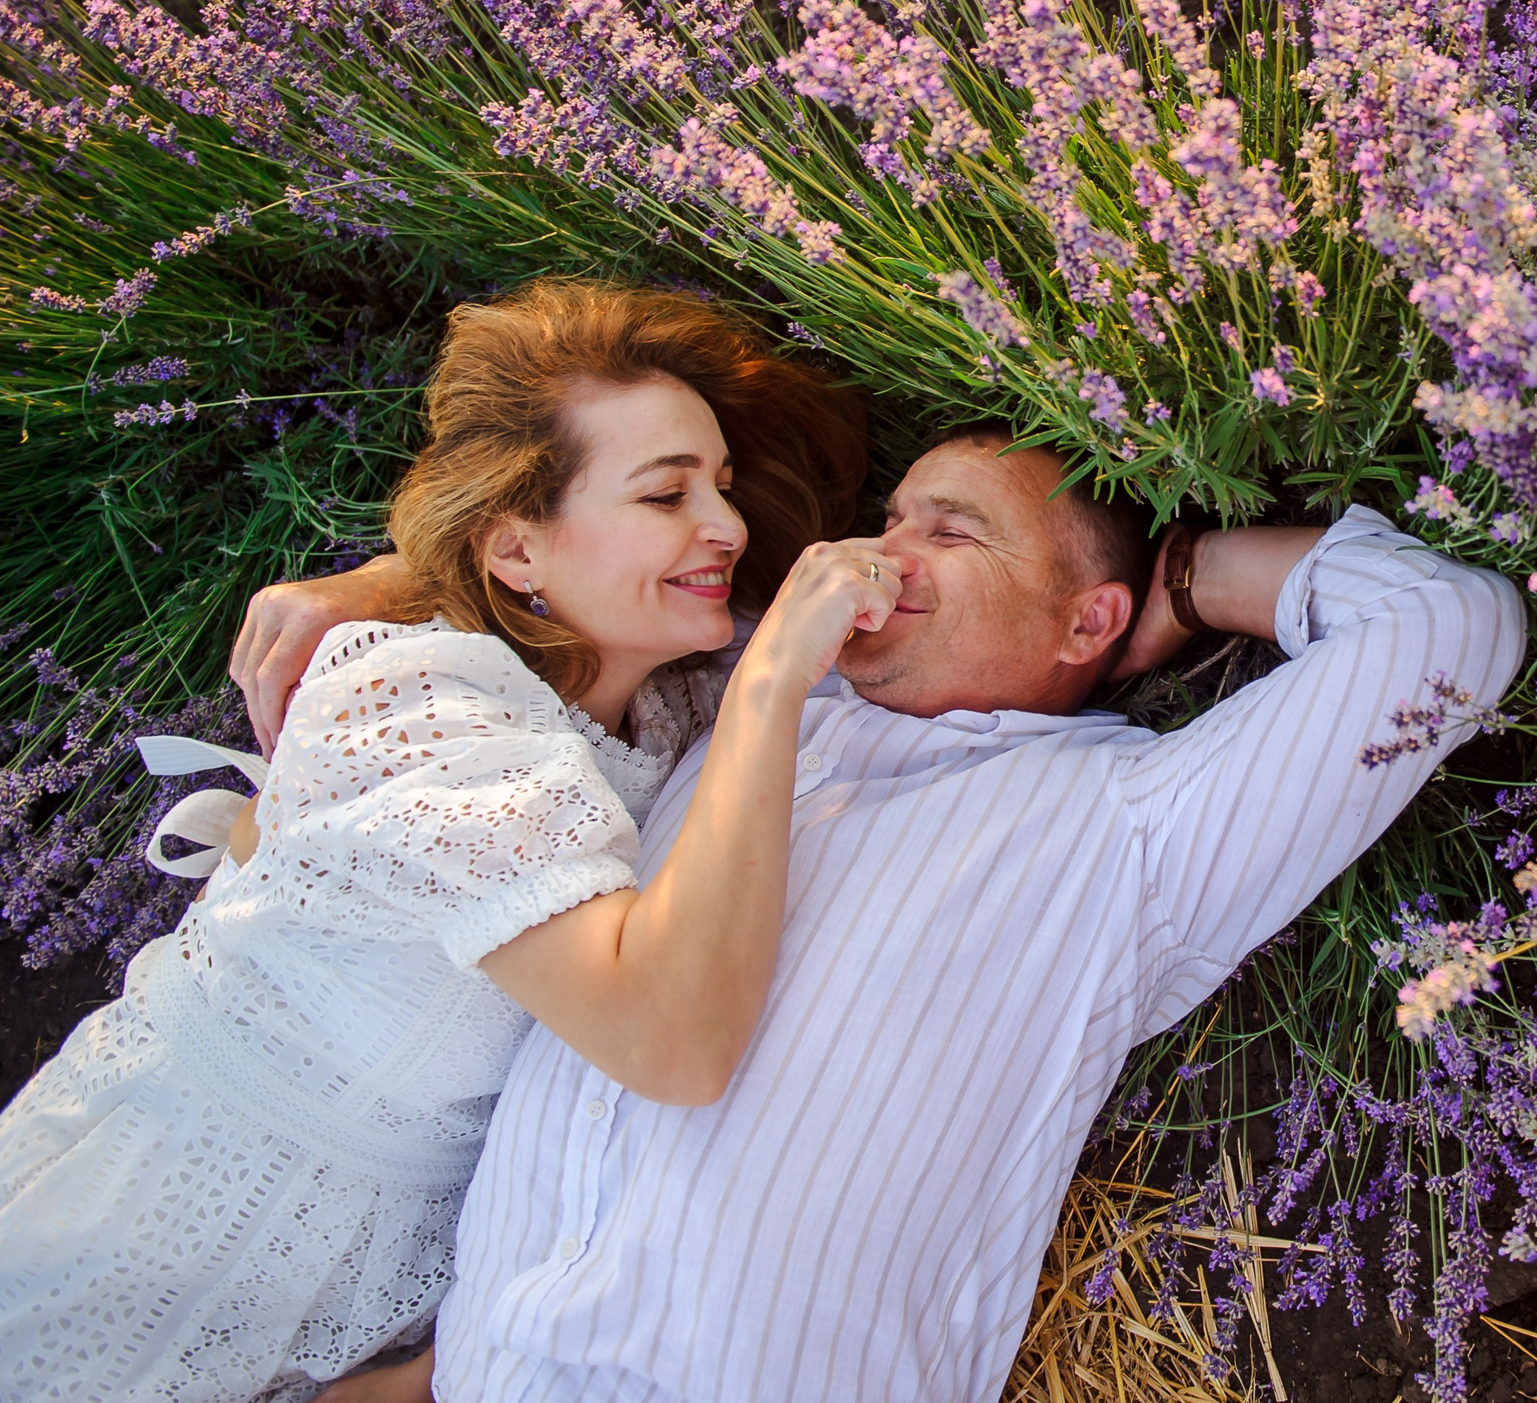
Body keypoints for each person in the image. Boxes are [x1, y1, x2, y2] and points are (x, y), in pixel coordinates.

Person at [236, 421, 1526, 1403]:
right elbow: (580, 568)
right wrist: (382, 585)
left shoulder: (1134, 825)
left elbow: (1449, 627)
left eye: (950, 534)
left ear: (1088, 617)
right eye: (888, 517)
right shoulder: (743, 691)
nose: (880, 555)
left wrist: (1184, 582)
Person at [0, 282, 884, 1403]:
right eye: (667, 494)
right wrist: (769, 689)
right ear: (515, 549)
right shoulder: (417, 702)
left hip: (363, 1300)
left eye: (718, 483)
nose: (727, 524)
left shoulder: (658, 703)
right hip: (143, 1238)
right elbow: (674, 1045)